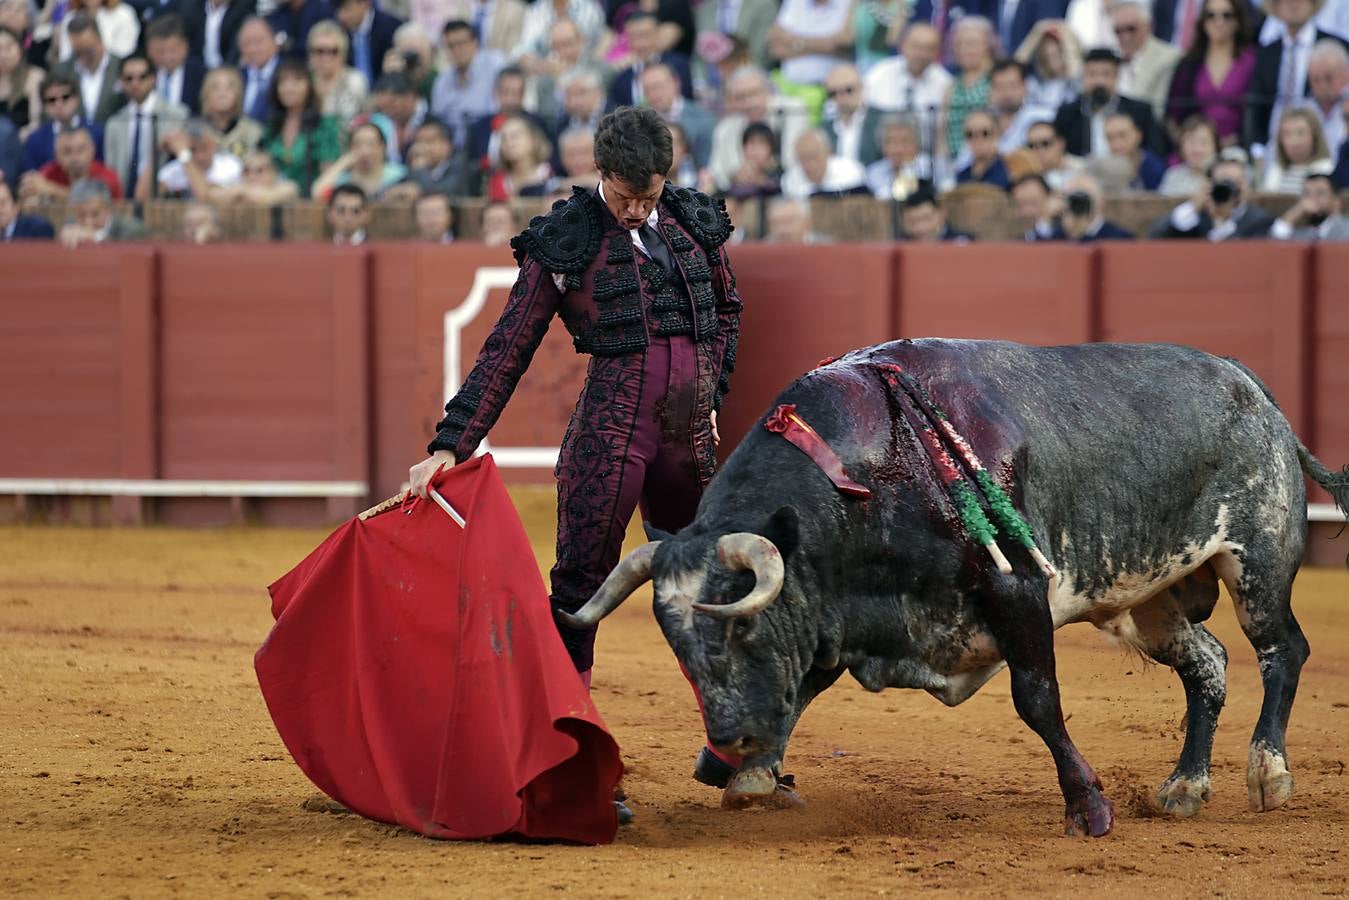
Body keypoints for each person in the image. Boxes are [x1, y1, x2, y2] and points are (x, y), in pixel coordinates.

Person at [407, 107, 743, 814]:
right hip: (610, 438)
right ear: (600, 173)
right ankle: (573, 762)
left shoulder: (691, 220)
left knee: (706, 589)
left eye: (649, 195)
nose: (637, 209)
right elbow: (508, 348)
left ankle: (734, 746)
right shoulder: (565, 237)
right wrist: (450, 443)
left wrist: (713, 391)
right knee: (579, 597)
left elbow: (727, 309)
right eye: (626, 196)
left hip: (689, 444)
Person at [1250, 0, 1349, 151]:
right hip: (1275, 144)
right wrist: (1258, 148)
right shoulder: (1266, 53)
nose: (1293, 4)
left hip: (1326, 142)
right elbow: (1257, 106)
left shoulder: (1338, 45)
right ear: (1275, 5)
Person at [1164, 0, 1255, 147]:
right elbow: (1172, 114)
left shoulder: (1252, 61)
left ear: (1237, 20)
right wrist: (1187, 145)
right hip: (1194, 150)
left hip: (1241, 148)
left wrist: (1234, 141)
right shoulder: (1189, 64)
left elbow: (1259, 115)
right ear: (1203, 22)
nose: (1218, 22)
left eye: (1226, 15)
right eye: (1211, 15)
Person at [103, 53, 189, 202]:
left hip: (164, 200)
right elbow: (111, 169)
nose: (135, 83)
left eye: (142, 77)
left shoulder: (177, 115)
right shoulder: (114, 123)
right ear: (121, 82)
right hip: (124, 201)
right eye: (129, 78)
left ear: (153, 78)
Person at [259, 58, 343, 197]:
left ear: (309, 86)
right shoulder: (271, 126)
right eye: (283, 82)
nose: (289, 88)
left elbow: (329, 173)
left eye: (297, 81)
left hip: (311, 202)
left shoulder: (324, 125)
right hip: (272, 199)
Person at [1153, 148, 1274, 239]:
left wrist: (1223, 222)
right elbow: (1156, 239)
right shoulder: (1199, 219)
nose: (1229, 188)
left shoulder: (1260, 221)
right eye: (1222, 182)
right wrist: (1192, 207)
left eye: (1235, 182)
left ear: (1245, 185)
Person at [430, 19, 504, 148]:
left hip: (489, 139)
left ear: (475, 43)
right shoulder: (442, 80)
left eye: (461, 43)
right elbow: (438, 122)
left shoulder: (495, 66)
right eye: (450, 46)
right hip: (453, 147)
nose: (457, 50)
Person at [1109, 0, 1181, 123]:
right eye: (1118, 31)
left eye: (1131, 29)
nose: (1125, 36)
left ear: (1149, 26)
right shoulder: (1112, 61)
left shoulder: (1169, 58)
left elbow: (1158, 112)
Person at [21, 71, 104, 172]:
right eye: (52, 100)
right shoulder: (35, 140)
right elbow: (32, 178)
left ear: (77, 99)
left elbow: (102, 172)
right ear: (44, 106)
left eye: (65, 97)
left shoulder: (97, 133)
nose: (59, 104)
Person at [55, 11, 123, 125]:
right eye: (78, 52)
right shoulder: (61, 72)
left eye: (89, 50)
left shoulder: (120, 67)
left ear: (100, 39)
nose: (84, 57)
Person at [943, 17, 997, 160]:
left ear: (987, 45)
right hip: (953, 161)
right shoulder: (952, 84)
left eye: (971, 43)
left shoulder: (996, 79)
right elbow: (942, 130)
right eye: (959, 44)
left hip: (985, 158)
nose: (964, 49)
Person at [20, 124, 121, 200]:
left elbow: (89, 202)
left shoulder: (108, 176)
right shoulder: (50, 171)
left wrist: (51, 189)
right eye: (67, 151)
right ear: (56, 155)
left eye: (81, 150)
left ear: (92, 150)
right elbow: (31, 186)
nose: (74, 157)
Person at [156, 118, 243, 199]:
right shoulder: (173, 170)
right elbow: (144, 198)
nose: (199, 156)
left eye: (204, 148)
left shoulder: (231, 166)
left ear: (215, 144)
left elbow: (204, 196)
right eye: (192, 150)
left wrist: (184, 155)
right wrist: (156, 152)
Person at [1015, 19, 1084, 111]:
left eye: (1057, 53)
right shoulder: (1036, 85)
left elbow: (1076, 68)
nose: (1053, 61)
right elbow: (1014, 68)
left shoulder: (1078, 81)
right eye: (1047, 56)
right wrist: (1036, 33)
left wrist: (1064, 32)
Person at [821, 63, 882, 167]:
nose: (841, 98)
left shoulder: (881, 120)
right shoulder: (824, 130)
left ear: (861, 88)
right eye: (833, 93)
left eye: (848, 90)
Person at [1261, 105, 1332, 193]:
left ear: (1315, 137)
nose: (1294, 141)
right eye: (1287, 134)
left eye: (1301, 133)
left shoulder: (1326, 169)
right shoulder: (1276, 169)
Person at [308, 19, 367, 123]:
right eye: (319, 51)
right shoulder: (304, 81)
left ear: (343, 54)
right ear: (310, 54)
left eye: (333, 51)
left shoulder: (354, 81)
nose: (326, 57)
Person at [781, 127, 866, 199]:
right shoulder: (790, 180)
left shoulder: (851, 172)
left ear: (828, 152)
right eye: (802, 159)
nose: (809, 165)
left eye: (813, 157)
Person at [57, 175, 144, 245]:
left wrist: (95, 238)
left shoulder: (133, 230)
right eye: (81, 215)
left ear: (109, 208)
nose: (88, 222)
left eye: (95, 214)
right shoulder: (70, 224)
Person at [146, 15, 205, 117]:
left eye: (173, 50)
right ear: (149, 50)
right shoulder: (141, 75)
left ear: (185, 46)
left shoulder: (202, 76)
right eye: (160, 51)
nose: (167, 57)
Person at [200, 66, 265, 159]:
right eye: (215, 88)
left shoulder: (253, 133)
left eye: (229, 88)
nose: (222, 94)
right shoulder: (194, 132)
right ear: (206, 94)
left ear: (238, 94)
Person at [333, 0, 402, 85]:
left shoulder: (391, 27)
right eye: (338, 10)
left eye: (347, 8)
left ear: (365, 3)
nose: (341, 16)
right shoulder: (337, 31)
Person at [866, 113, 933, 199]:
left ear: (917, 144)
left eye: (905, 142)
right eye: (892, 142)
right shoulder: (874, 173)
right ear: (883, 146)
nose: (898, 150)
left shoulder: (929, 169)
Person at [1271, 164, 1349, 238]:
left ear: (1336, 200)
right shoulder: (1305, 233)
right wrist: (1298, 209)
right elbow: (1276, 238)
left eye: (1320, 193)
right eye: (1306, 194)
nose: (1312, 199)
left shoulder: (1346, 228)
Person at [1058, 172, 1135, 239]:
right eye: (1074, 200)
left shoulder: (1121, 238)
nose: (1079, 204)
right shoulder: (1056, 237)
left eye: (1086, 198)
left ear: (1101, 201)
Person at [1158, 113, 1219, 195]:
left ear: (1215, 146)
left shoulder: (1224, 174)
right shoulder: (1172, 176)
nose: (1197, 149)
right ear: (1180, 146)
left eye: (1204, 142)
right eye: (1191, 142)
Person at [1307, 39, 1349, 156]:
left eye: (1328, 78)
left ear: (1346, 74)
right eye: (1316, 80)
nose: (1322, 86)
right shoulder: (1305, 109)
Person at [1104, 109, 1165, 189]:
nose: (1116, 144)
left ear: (1138, 135)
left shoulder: (1155, 169)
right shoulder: (1103, 170)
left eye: (1122, 135)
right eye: (1109, 138)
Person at [0, 24, 43, 137]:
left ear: (20, 48)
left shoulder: (34, 77)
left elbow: (36, 123)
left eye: (9, 47)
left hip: (24, 143)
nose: (3, 55)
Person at [955, 108, 1012, 188]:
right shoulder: (961, 176)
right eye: (970, 134)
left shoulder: (1010, 171)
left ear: (998, 133)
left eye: (984, 133)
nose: (977, 139)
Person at [899, 182, 972, 242]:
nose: (920, 228)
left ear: (941, 215)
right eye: (912, 222)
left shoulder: (961, 242)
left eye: (926, 219)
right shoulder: (899, 247)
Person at [1026, 117, 1085, 189]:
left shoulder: (1082, 169)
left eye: (1045, 143)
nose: (1039, 151)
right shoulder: (1025, 177)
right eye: (1031, 146)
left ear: (1061, 143)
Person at [1010, 172, 1061, 240]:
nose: (1027, 211)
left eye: (1032, 203)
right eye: (1021, 205)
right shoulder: (1010, 234)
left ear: (1050, 199)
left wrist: (1044, 223)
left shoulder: (1064, 228)